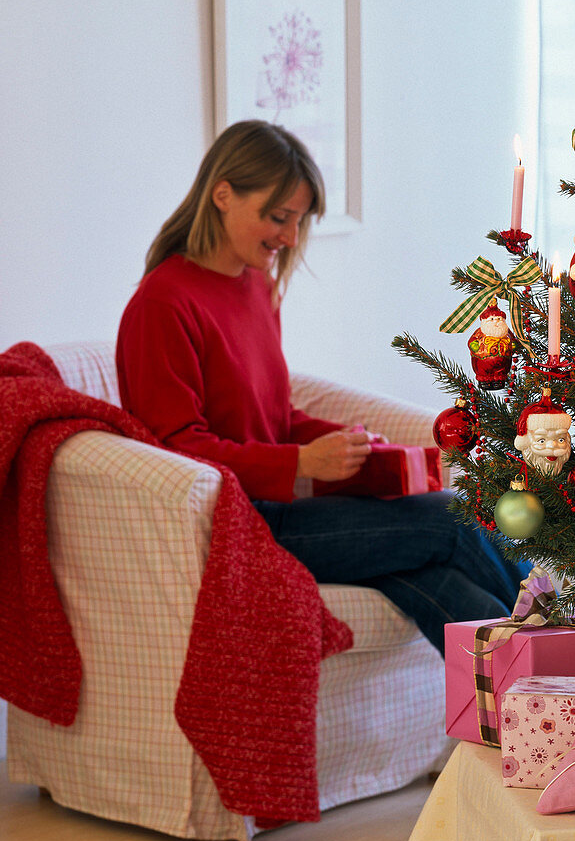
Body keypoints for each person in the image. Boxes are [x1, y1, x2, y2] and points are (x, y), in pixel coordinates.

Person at [116, 119, 527, 654]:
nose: (289, 237)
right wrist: (302, 465)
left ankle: (532, 711)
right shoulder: (162, 304)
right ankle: (565, 651)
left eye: (297, 220)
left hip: (278, 508)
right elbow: (176, 451)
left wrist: (344, 445)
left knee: (434, 578)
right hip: (238, 527)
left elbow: (270, 418)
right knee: (449, 523)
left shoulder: (254, 285)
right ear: (222, 195)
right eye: (278, 217)